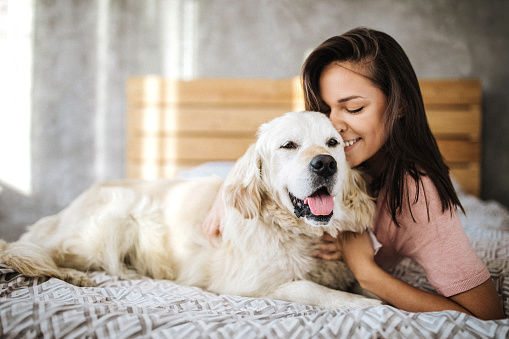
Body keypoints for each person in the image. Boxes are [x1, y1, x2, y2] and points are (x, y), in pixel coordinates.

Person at [202, 27, 505, 320]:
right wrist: (230, 184)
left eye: (355, 108)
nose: (334, 124)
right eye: (325, 109)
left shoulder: (418, 197)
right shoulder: (334, 150)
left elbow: (487, 315)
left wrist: (366, 273)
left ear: (398, 106)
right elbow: (276, 147)